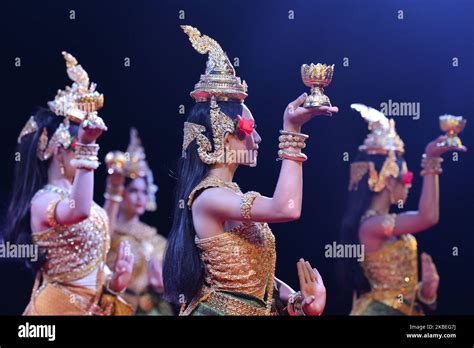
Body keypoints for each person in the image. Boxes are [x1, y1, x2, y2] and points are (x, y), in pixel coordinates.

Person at [163, 26, 336, 316]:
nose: (257, 139)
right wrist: (292, 132)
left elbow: (247, 274)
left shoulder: (229, 195)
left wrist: (296, 302)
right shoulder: (207, 197)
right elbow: (287, 209)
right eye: (250, 130)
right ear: (227, 137)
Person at [4, 52, 134, 315]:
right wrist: (88, 147)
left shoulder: (75, 197)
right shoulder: (42, 201)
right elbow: (79, 211)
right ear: (54, 149)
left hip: (90, 306)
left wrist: (115, 281)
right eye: (76, 143)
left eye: (83, 143)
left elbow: (91, 256)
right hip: (57, 308)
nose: (83, 149)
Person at [340, 104, 465, 315]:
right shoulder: (371, 226)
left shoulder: (386, 223)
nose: (409, 184)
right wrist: (431, 160)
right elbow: (428, 217)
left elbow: (401, 290)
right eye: (406, 178)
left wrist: (426, 291)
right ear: (389, 181)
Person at [104, 128, 173, 315]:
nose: (140, 197)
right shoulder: (109, 230)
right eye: (134, 191)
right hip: (113, 305)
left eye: (144, 192)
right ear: (122, 191)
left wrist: (160, 284)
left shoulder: (155, 239)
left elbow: (167, 287)